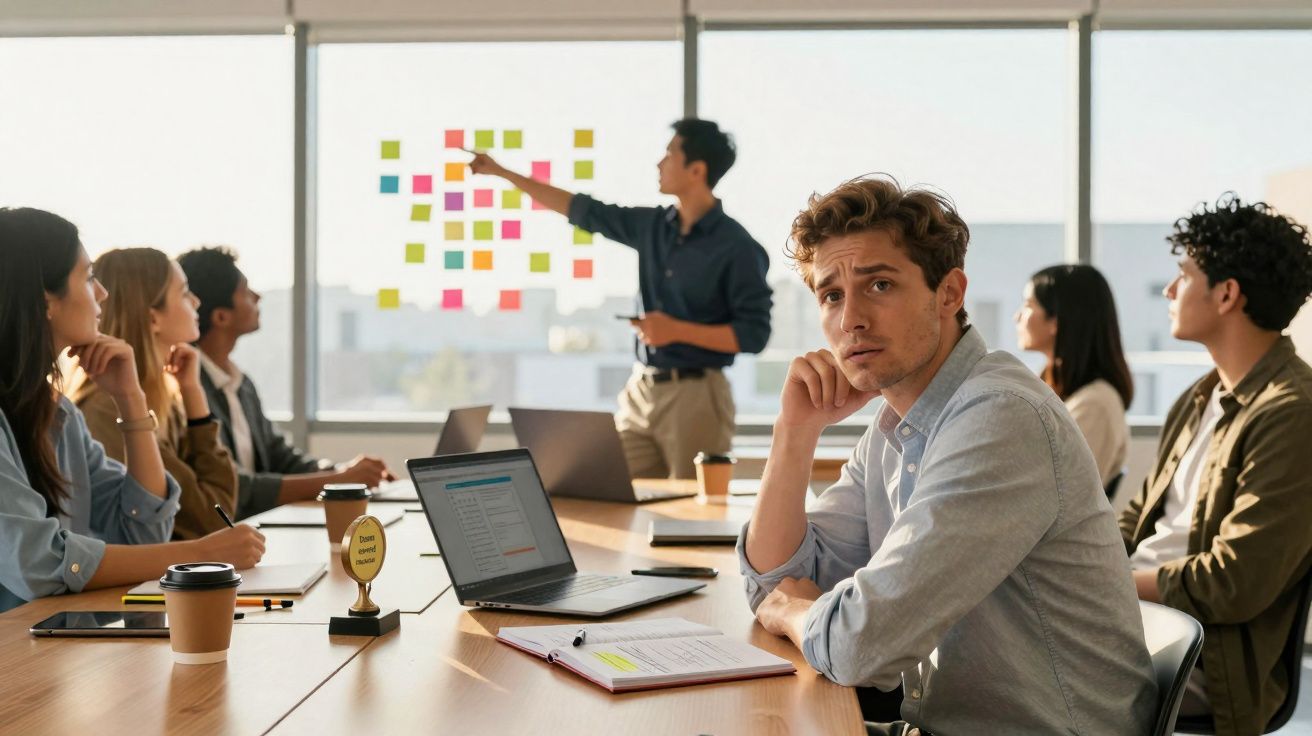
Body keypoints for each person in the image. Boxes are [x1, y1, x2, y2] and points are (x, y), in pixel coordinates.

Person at [739, 177, 1156, 734]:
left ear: (950, 294)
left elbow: (860, 642)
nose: (850, 320)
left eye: (879, 285)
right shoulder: (895, 427)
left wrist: (796, 611)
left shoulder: (1001, 417)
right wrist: (794, 432)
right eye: (831, 295)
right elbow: (777, 578)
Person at [468, 119, 773, 479]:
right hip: (640, 392)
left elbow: (755, 335)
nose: (659, 163)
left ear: (697, 169)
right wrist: (503, 173)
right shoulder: (652, 227)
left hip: (697, 399)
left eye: (670, 153)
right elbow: (582, 210)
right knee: (599, 484)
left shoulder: (737, 246)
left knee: (690, 518)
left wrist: (675, 330)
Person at [0, 208, 264, 613]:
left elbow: (142, 529)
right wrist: (196, 553)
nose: (101, 293)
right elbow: (39, 562)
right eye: (88, 278)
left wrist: (131, 399)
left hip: (44, 649)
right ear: (44, 300)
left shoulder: (59, 415)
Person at [1120, 194, 1312, 735]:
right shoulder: (1201, 397)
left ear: (1227, 293)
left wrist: (1112, 582)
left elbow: (1236, 580)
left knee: (1013, 670)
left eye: (1184, 275)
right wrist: (1082, 566)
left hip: (1203, 652)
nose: (1169, 290)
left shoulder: (1293, 414)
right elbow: (1138, 516)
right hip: (1139, 618)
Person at [177, 246, 393, 519]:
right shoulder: (187, 388)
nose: (258, 296)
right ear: (221, 316)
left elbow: (282, 458)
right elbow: (237, 487)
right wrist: (337, 480)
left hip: (259, 529)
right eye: (245, 292)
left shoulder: (240, 383)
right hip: (230, 538)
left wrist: (344, 473)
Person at [65, 248, 238, 540]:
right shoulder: (110, 409)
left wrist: (192, 392)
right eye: (184, 293)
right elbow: (212, 519)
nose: (196, 301)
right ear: (153, 319)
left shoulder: (162, 399)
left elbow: (220, 509)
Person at [1014, 264, 1134, 488]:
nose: (1017, 316)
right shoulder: (1051, 387)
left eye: (1028, 305)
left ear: (1056, 321)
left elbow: (1056, 491)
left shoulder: (1095, 405)